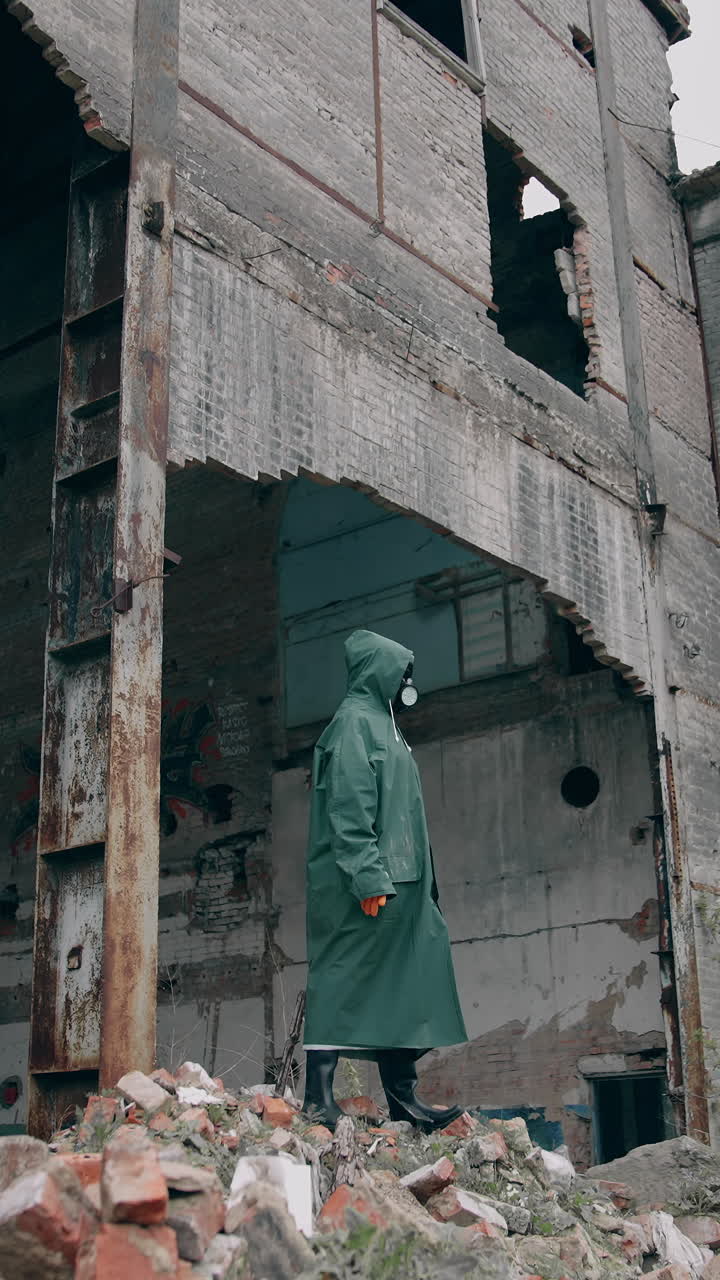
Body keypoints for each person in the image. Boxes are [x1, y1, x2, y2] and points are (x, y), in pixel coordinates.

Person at [302, 628, 468, 1131]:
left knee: (411, 979)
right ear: (380, 673)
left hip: (406, 884)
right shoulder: (354, 724)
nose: (407, 684)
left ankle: (405, 1102)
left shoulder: (384, 724)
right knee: (341, 974)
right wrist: (368, 876)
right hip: (371, 885)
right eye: (401, 674)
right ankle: (317, 1098)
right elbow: (349, 810)